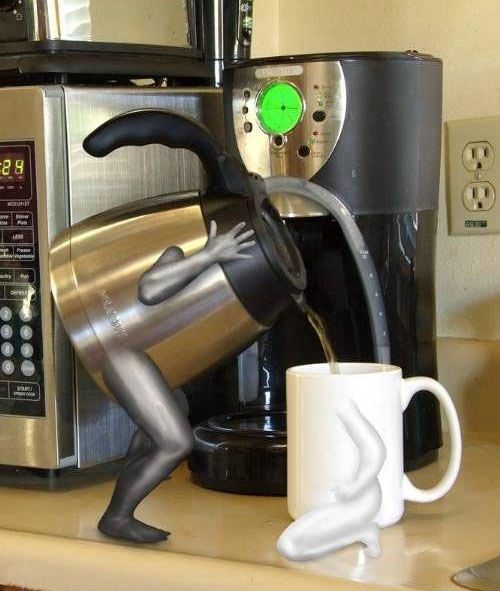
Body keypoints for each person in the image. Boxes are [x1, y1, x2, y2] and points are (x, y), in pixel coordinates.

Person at [98, 221, 255, 543]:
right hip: (123, 352)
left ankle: (136, 478)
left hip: (141, 353)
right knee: (176, 442)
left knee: (172, 413)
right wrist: (209, 255)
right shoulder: (176, 252)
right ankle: (117, 516)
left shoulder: (209, 274)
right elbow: (149, 289)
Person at [277, 399, 386, 561]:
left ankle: (362, 532)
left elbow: (375, 450)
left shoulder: (341, 401)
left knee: (290, 546)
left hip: (358, 500)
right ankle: (361, 532)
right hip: (343, 499)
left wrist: (356, 488)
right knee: (287, 545)